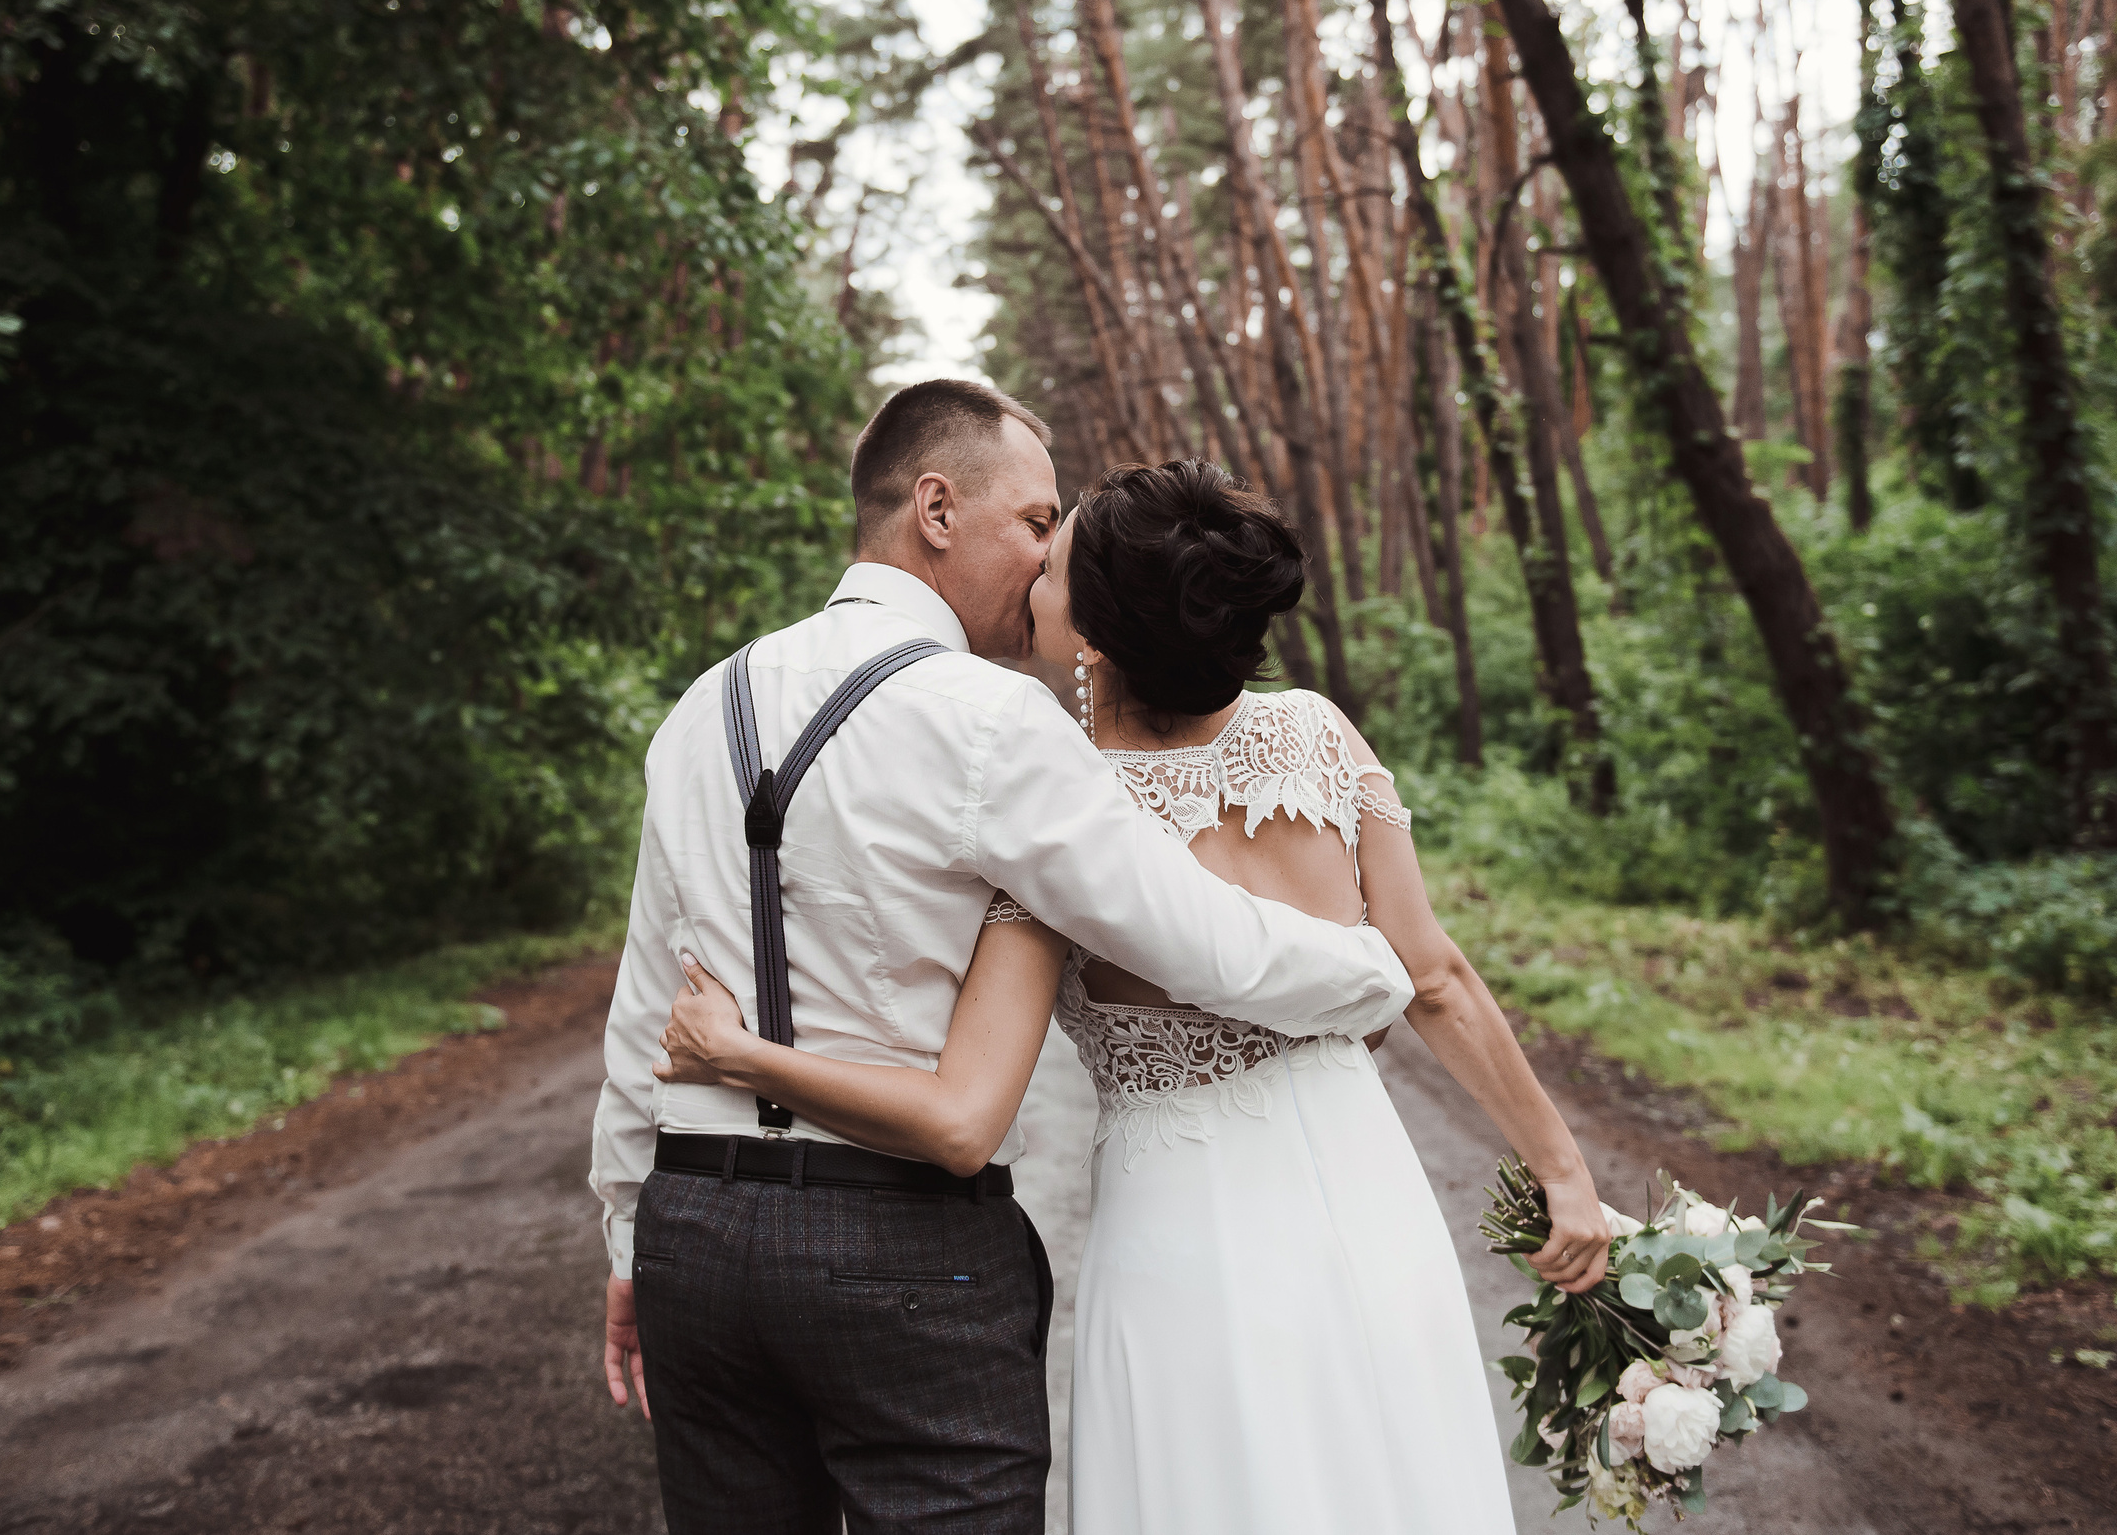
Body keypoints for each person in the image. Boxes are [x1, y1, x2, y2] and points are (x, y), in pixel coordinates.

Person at [660, 458, 1613, 1535]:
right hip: (1363, 1192)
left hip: (1182, 1237)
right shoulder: (1316, 731)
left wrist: (746, 1053)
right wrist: (1562, 1169)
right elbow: (1431, 975)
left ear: (1099, 634)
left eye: (1051, 564)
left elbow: (963, 1101)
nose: (1029, 581)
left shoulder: (1059, 806)